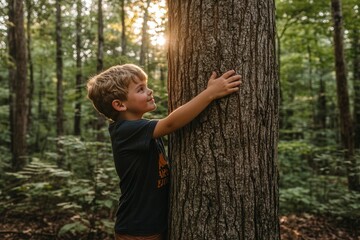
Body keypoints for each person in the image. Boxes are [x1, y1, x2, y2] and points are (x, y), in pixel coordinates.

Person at [86, 64, 242, 240]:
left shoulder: (140, 129)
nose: (150, 91)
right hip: (138, 230)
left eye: (147, 86)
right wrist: (210, 93)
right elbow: (171, 123)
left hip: (152, 226)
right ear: (119, 104)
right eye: (141, 89)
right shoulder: (125, 131)